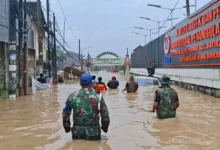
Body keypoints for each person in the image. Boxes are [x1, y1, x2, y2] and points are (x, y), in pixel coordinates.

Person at [62, 73, 110, 140]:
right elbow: (105, 115)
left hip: (77, 133)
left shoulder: (72, 96)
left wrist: (67, 128)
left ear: (80, 83)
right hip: (94, 133)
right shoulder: (98, 97)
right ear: (92, 84)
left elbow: (65, 114)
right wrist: (105, 128)